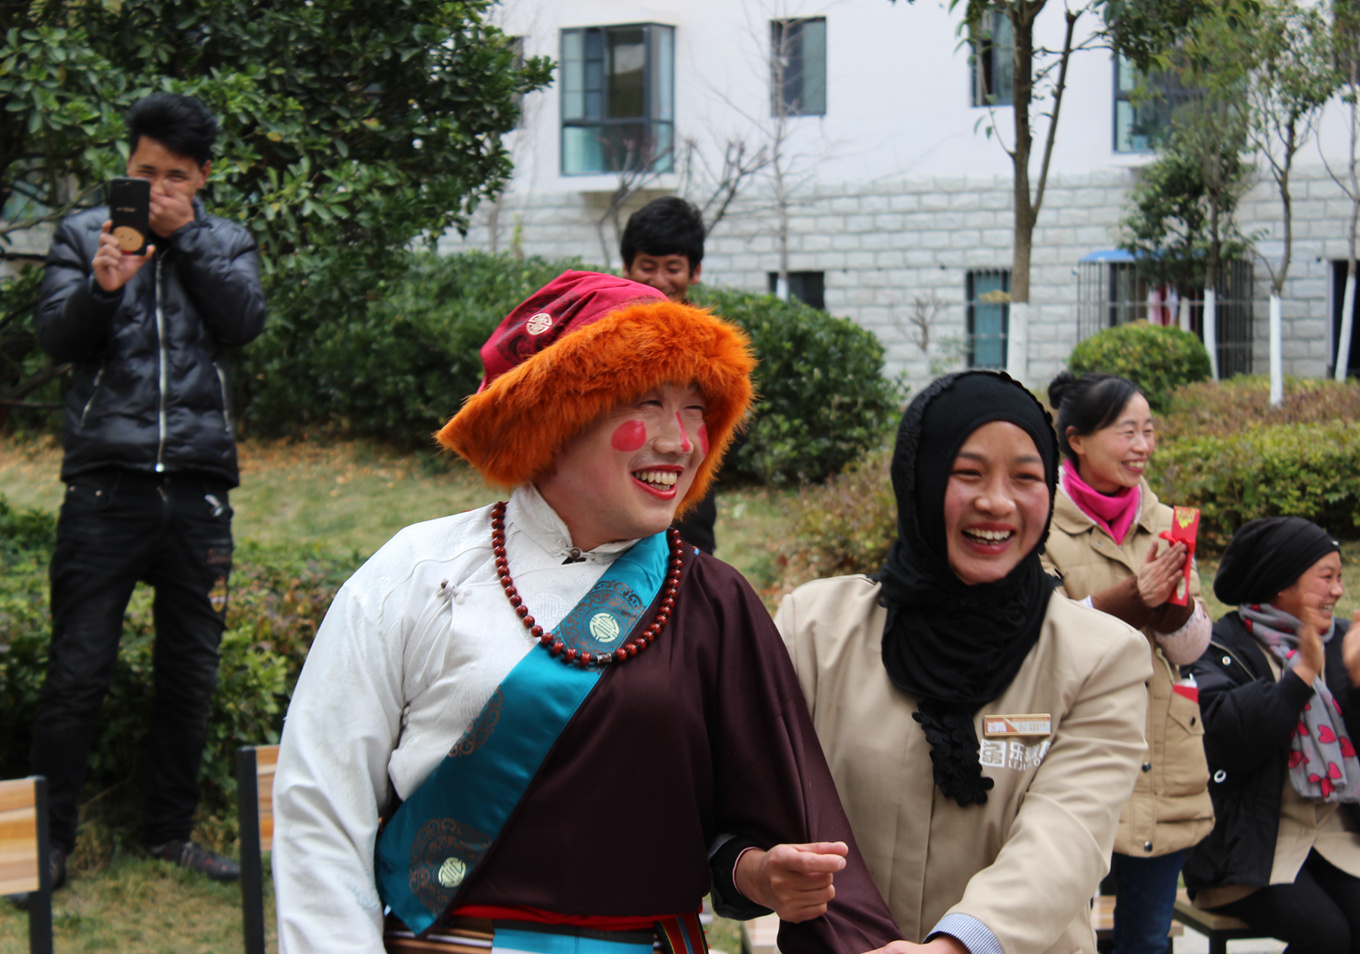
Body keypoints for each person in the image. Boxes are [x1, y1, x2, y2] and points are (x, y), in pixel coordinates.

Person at [272, 271, 902, 954]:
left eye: (695, 409)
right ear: (554, 417)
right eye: (647, 402)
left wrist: (759, 871)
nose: (679, 441)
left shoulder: (715, 602)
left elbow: (763, 824)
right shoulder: (419, 574)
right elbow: (323, 807)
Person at [773, 370, 1153, 954]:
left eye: (1026, 477)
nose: (996, 502)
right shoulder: (817, 628)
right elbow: (754, 792)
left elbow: (1067, 835)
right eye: (968, 472)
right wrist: (752, 867)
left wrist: (960, 945)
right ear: (919, 478)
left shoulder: (1099, 657)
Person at [23, 91, 265, 894]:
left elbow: (244, 322)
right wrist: (101, 286)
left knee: (190, 673)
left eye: (174, 176)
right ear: (126, 166)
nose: (156, 188)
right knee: (76, 672)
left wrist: (184, 239)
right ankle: (49, 843)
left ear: (202, 176)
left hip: (199, 489)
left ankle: (168, 832)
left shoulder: (225, 240)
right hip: (105, 488)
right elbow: (55, 338)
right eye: (144, 172)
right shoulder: (81, 234)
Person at [1183, 517, 1360, 954]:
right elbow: (1225, 742)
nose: (1338, 591)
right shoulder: (1218, 646)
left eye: (1340, 578)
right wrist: (1299, 678)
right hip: (1250, 843)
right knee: (1325, 935)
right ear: (1280, 584)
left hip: (1336, 833)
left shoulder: (1343, 640)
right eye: (1326, 578)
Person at [1039, 372, 1213, 954]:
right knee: (1062, 935)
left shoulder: (1167, 523)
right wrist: (1133, 599)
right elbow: (1040, 639)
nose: (1142, 446)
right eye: (1126, 432)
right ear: (1077, 440)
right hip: (1070, 745)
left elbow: (1190, 651)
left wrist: (1175, 609)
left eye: (1149, 431)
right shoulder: (1039, 520)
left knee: (1146, 941)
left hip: (1160, 751)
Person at [620, 196, 720, 553]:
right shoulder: (605, 338)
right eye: (648, 266)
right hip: (615, 493)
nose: (660, 281)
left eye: (673, 268)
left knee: (686, 573)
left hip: (686, 502)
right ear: (626, 267)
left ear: (695, 271)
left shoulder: (714, 344)